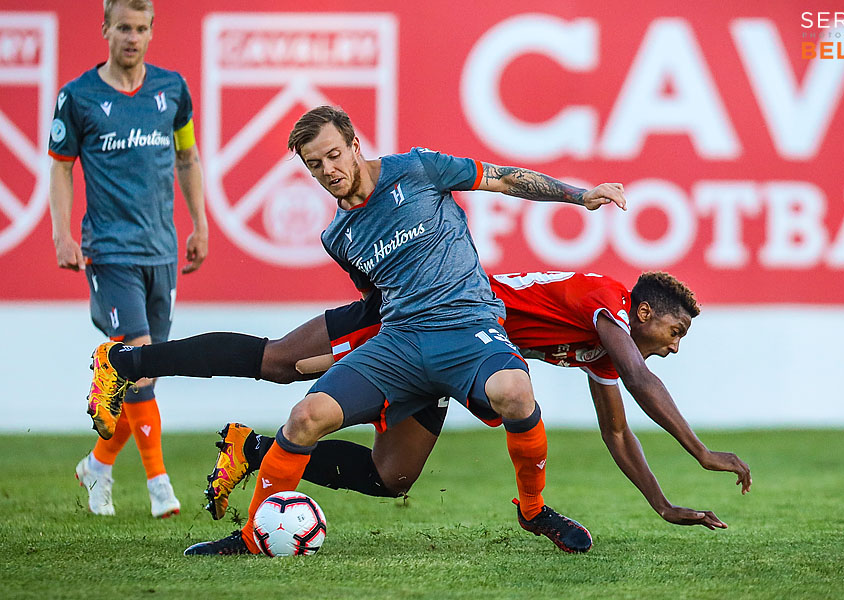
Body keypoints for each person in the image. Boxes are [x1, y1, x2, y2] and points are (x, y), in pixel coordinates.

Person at [89, 105, 627, 555]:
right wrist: (350, 358)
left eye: (333, 154)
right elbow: (376, 299)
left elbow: (505, 179)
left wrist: (580, 195)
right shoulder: (338, 235)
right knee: (294, 387)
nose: (328, 169)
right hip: (399, 337)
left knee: (396, 474)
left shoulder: (417, 169)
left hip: (464, 331)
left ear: (353, 142)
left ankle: (533, 512)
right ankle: (249, 525)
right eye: (313, 164)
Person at [150, 270, 750, 530]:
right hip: (422, 316)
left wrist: (664, 504)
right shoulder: (604, 298)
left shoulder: (600, 349)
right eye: (674, 333)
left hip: (455, 361)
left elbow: (617, 432)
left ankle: (250, 449)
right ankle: (133, 361)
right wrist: (699, 451)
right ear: (643, 313)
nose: (672, 350)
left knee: (393, 477)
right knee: (284, 363)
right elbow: (642, 380)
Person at [48, 0, 208, 518]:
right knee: (138, 357)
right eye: (123, 27)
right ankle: (160, 486)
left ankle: (97, 464)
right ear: (105, 29)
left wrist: (199, 224)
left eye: (141, 28)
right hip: (110, 251)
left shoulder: (172, 91)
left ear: (151, 31)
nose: (132, 37)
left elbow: (188, 156)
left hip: (161, 249)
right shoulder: (78, 98)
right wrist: (62, 234)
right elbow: (61, 167)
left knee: (146, 372)